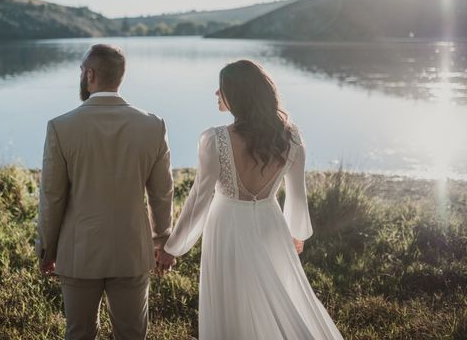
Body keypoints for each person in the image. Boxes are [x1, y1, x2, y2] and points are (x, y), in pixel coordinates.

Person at [157, 60, 343, 339]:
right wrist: (297, 232)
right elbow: (296, 191)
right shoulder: (291, 137)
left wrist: (174, 247)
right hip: (271, 223)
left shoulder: (215, 139)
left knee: (232, 299)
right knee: (275, 295)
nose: (216, 93)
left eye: (221, 88)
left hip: (227, 226)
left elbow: (199, 198)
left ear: (238, 94)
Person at [36, 44, 174, 340]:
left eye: (81, 71)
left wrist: (47, 249)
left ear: (90, 74)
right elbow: (162, 193)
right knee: (132, 334)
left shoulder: (60, 127)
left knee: (79, 333)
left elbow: (52, 197)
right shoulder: (153, 125)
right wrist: (162, 240)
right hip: (132, 250)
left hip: (79, 251)